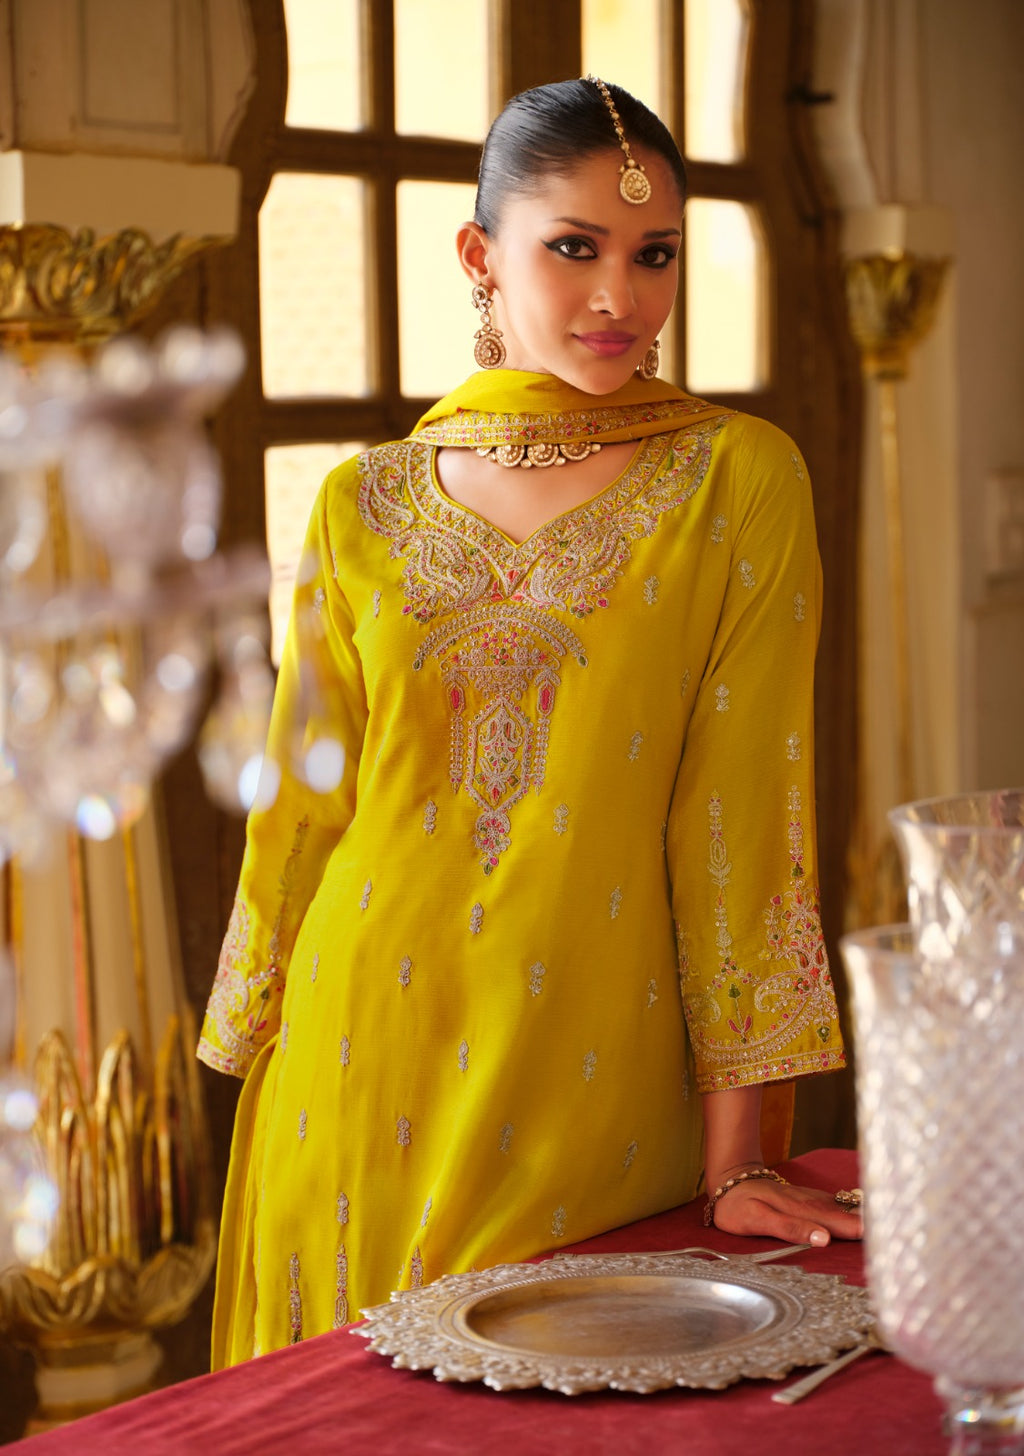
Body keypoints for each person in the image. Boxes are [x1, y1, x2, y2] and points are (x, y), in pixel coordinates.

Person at [198, 76, 861, 1369]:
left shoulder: (736, 482)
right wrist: (245, 1055)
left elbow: (745, 829)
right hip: (354, 1071)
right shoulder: (364, 503)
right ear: (481, 255)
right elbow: (304, 807)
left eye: (653, 253)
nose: (622, 296)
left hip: (596, 1080)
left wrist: (740, 1167)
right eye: (575, 248)